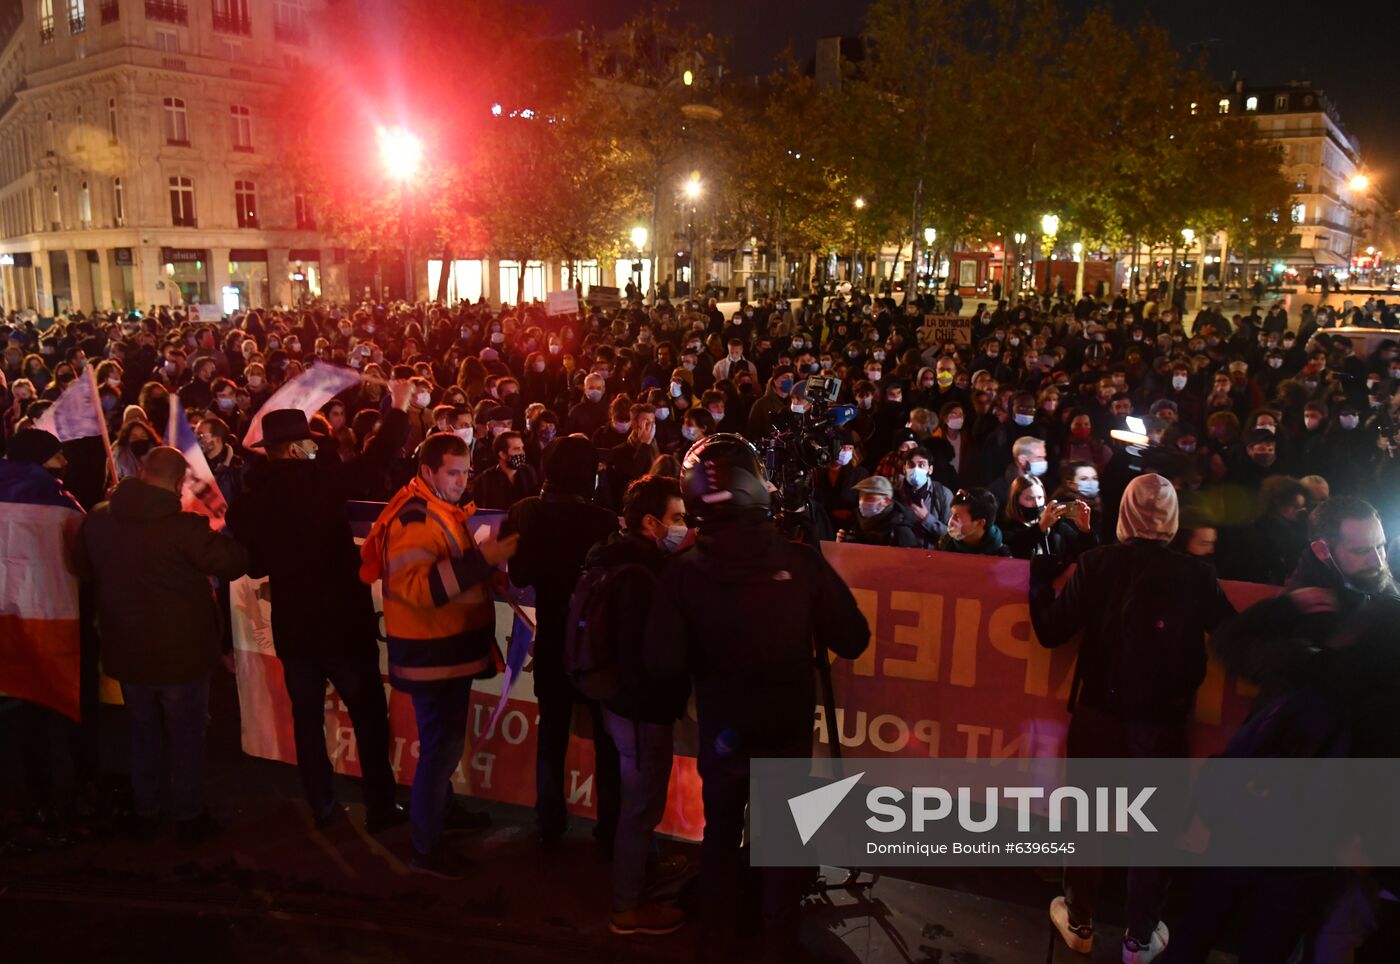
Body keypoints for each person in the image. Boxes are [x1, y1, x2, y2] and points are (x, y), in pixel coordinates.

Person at [646, 433, 870, 962]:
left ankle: (718, 940)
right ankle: (778, 944)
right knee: (782, 842)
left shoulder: (681, 572)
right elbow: (853, 637)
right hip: (785, 734)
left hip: (722, 734)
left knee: (720, 834)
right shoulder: (798, 560)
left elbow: (662, 664)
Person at [1030, 473, 1235, 964]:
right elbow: (1235, 637)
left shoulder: (1098, 563)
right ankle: (1139, 938)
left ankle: (1078, 921)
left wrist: (1040, 567)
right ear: (1173, 517)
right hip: (1162, 724)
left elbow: (1051, 630)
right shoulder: (1197, 576)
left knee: (1089, 820)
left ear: (1123, 513)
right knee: (1153, 828)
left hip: (1100, 715)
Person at [226, 381, 412, 834]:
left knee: (306, 721)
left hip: (295, 627)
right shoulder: (323, 482)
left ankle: (322, 805)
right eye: (309, 441)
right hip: (343, 626)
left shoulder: (249, 503)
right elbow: (376, 462)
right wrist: (400, 407)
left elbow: (255, 563)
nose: (315, 447)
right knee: (368, 718)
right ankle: (381, 807)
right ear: (292, 449)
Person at [358, 432, 519, 879]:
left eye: (466, 472)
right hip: (433, 657)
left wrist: (484, 573)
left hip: (445, 653)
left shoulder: (432, 508)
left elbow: (446, 571)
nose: (462, 482)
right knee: (440, 751)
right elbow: (418, 589)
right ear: (428, 471)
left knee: (442, 746)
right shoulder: (414, 518)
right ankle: (425, 847)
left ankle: (440, 815)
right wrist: (483, 560)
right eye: (453, 472)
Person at [77, 447, 249, 847]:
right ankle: (188, 816)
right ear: (176, 483)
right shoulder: (183, 528)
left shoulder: (98, 520)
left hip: (127, 647)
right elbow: (233, 562)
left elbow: (82, 568)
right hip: (182, 655)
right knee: (186, 736)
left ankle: (146, 811)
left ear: (140, 472)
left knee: (142, 732)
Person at [582, 475, 692, 937]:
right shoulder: (644, 576)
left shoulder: (614, 554)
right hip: (641, 709)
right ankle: (627, 908)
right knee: (642, 806)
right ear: (651, 522)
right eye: (678, 519)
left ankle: (641, 873)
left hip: (620, 705)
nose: (685, 527)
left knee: (636, 800)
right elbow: (649, 656)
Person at [501, 435, 621, 851]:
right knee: (607, 741)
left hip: (552, 639)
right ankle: (610, 830)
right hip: (596, 646)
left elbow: (519, 576)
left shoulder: (525, 513)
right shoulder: (603, 522)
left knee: (551, 732)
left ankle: (548, 823)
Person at [837, 474, 923, 547]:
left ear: (886, 501)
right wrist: (843, 545)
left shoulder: (901, 532)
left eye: (869, 498)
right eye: (860, 497)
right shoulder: (856, 523)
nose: (862, 502)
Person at [470, 429, 538, 510]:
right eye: (516, 449)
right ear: (502, 454)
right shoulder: (485, 480)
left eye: (522, 448)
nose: (522, 452)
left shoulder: (529, 473)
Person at [938, 486, 1011, 555]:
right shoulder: (945, 543)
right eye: (952, 514)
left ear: (980, 523)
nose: (951, 521)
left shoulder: (1001, 557)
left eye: (957, 516)